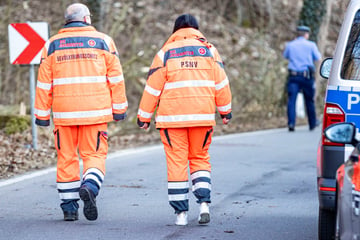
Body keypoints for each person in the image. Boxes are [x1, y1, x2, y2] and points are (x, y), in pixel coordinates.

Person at [34, 3, 128, 221]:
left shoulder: (52, 45)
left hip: (64, 114)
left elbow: (44, 84)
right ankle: (90, 187)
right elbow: (116, 79)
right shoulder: (104, 42)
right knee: (94, 155)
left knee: (66, 158)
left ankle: (69, 208)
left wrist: (41, 115)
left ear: (67, 20)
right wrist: (119, 109)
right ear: (86, 19)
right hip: (95, 113)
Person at [137, 14, 232, 226]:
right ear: (197, 29)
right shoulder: (209, 50)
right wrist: (225, 112)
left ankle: (180, 215)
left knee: (177, 163)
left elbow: (153, 88)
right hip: (202, 117)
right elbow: (221, 84)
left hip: (172, 121)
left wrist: (144, 117)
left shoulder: (165, 53)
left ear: (175, 30)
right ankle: (204, 205)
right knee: (199, 158)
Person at [283, 25, 321, 131]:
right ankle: (312, 123)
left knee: (292, 100)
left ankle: (291, 123)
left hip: (293, 76)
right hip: (306, 76)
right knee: (309, 100)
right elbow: (318, 57)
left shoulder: (290, 45)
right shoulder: (311, 45)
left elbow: (285, 56)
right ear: (306, 35)